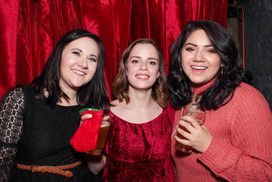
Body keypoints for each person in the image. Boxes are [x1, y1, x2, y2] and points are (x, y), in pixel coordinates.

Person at [168, 20, 272, 181]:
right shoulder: (182, 97)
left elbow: (265, 174)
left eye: (210, 51)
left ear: (223, 60)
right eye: (190, 49)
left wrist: (207, 145)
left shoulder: (246, 99)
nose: (198, 58)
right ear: (180, 56)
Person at [0, 29, 109, 182]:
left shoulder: (93, 107)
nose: (83, 63)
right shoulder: (20, 99)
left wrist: (93, 143)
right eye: (76, 53)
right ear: (59, 55)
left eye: (92, 59)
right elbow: (2, 162)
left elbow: (95, 169)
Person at [102, 38, 175, 181]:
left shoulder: (169, 112)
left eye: (152, 62)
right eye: (136, 61)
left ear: (158, 72)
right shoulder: (106, 114)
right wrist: (91, 147)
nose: (143, 67)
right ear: (125, 68)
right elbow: (95, 167)